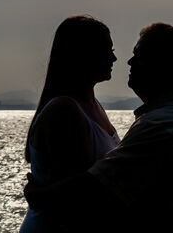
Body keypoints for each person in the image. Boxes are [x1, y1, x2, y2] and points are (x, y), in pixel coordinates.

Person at [25, 22, 173, 232]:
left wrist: (39, 197)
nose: (128, 61)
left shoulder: (163, 126)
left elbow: (96, 189)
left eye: (139, 55)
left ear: (161, 64)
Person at [20, 15, 121, 233]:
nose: (114, 58)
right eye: (107, 50)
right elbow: (79, 193)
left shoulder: (94, 106)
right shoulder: (64, 110)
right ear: (83, 54)